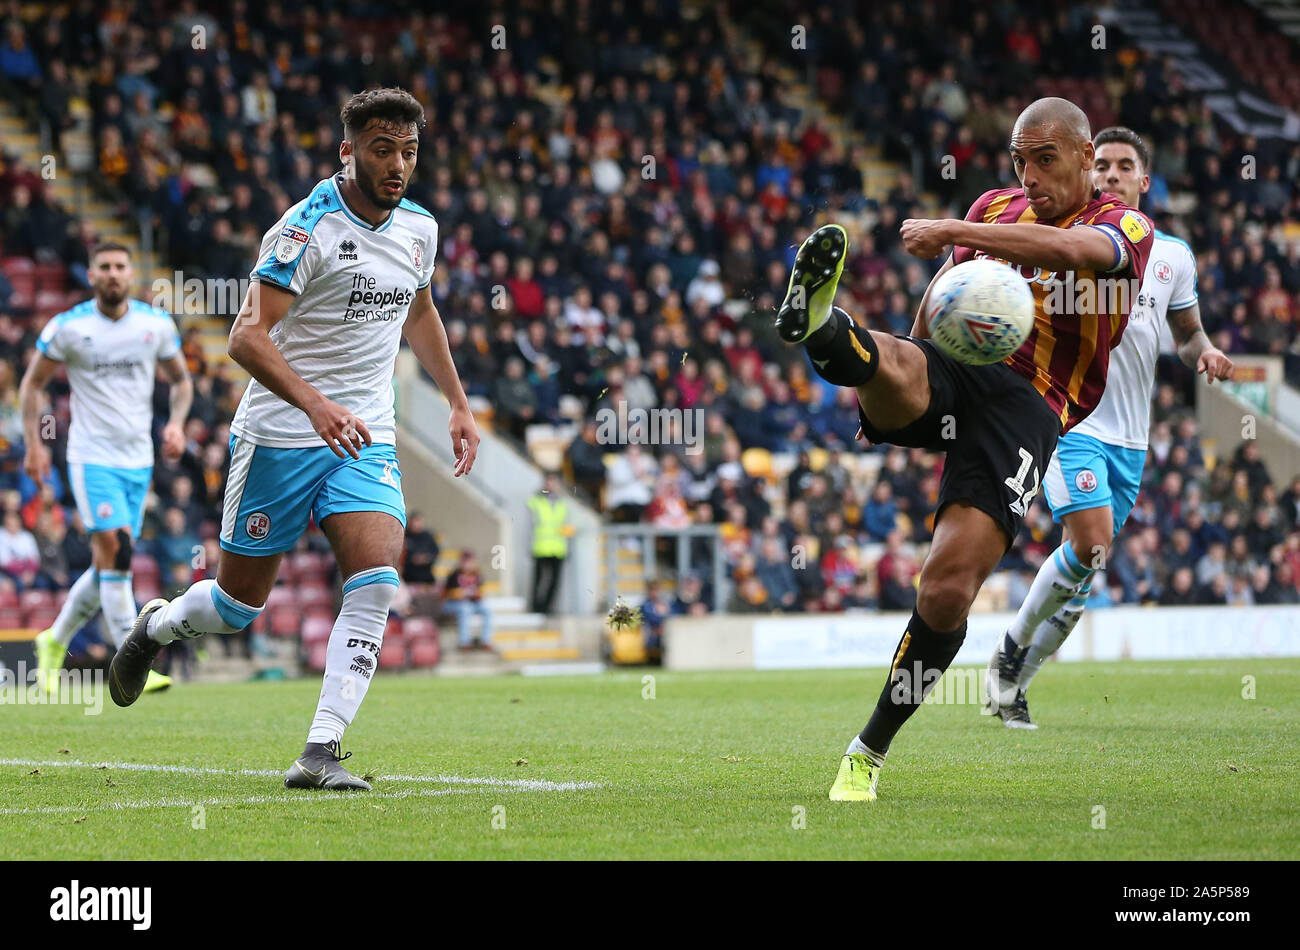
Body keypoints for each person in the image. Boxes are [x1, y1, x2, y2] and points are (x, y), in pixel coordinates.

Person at [776, 98, 1154, 802]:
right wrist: (902, 369)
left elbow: (1076, 254)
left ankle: (867, 751)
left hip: (1031, 405)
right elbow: (942, 294)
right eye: (1019, 161)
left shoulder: (1121, 223)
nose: (1029, 175)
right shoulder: (995, 209)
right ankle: (824, 328)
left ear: (1082, 154)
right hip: (957, 363)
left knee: (946, 590)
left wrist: (956, 227)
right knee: (890, 356)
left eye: (1045, 159)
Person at [107, 88, 481, 792]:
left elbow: (420, 309)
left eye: (408, 150)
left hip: (363, 434)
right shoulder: (305, 230)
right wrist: (314, 406)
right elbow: (244, 337)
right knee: (236, 606)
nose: (397, 164)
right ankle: (155, 627)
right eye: (381, 149)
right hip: (281, 434)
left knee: (375, 581)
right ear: (347, 151)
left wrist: (458, 402)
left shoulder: (420, 230)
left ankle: (320, 751)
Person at [986, 127, 1233, 728]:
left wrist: (1204, 350)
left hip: (1131, 437)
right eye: (1104, 166)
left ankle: (1014, 685)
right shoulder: (1070, 241)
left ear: (1145, 182)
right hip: (1070, 416)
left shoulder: (1172, 257)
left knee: (1087, 570)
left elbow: (1187, 332)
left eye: (1126, 167)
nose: (1113, 175)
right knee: (1091, 542)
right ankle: (1012, 646)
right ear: (1089, 173)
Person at [24, 242, 192, 695]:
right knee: (117, 553)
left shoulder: (153, 325)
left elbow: (180, 381)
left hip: (138, 460)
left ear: (131, 274)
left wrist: (176, 424)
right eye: (105, 267)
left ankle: (53, 640)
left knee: (107, 565)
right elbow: (34, 384)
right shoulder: (69, 327)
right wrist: (37, 442)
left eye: (121, 267)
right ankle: (131, 658)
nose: (114, 274)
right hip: (91, 457)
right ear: (92, 274)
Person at [527, 471, 572, 615]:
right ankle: (536, 606)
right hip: (541, 546)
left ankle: (548, 607)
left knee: (554, 581)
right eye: (548, 482)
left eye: (554, 482)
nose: (551, 485)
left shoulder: (562, 502)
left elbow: (568, 523)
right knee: (539, 580)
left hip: (558, 547)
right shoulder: (536, 500)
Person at [444, 549, 493, 650]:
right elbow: (447, 593)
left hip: (472, 602)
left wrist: (475, 594)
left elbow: (481, 592)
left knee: (487, 608)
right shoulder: (454, 575)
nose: (468, 564)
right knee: (466, 608)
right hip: (452, 604)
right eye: (466, 561)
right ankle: (464, 641)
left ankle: (485, 640)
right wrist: (460, 593)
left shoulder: (477, 575)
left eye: (470, 561)